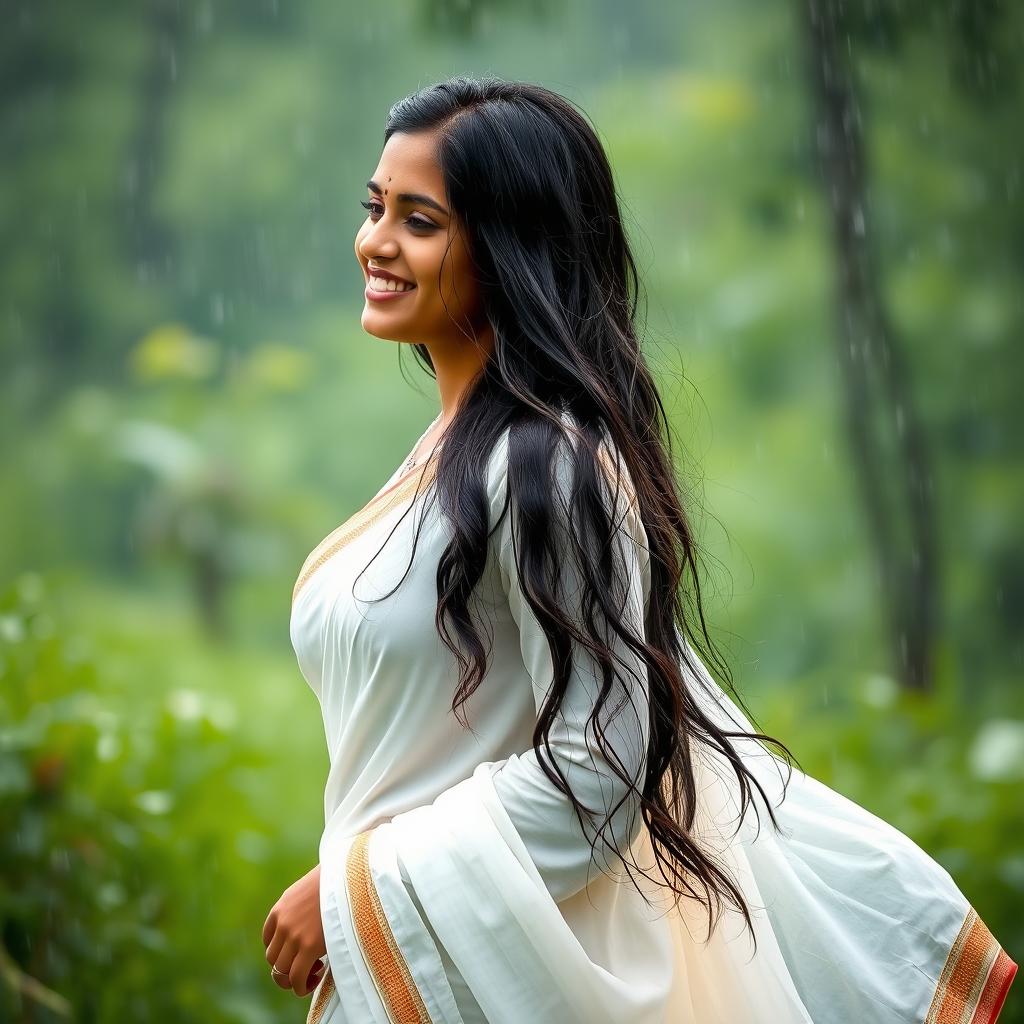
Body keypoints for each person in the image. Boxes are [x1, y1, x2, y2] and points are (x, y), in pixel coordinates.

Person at [261, 76, 1018, 1024]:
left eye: (421, 220)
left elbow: (604, 767)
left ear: (509, 247)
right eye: (376, 208)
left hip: (515, 982)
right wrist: (362, 903)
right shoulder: (449, 453)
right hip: (422, 969)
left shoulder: (547, 469)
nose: (378, 242)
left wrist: (354, 894)